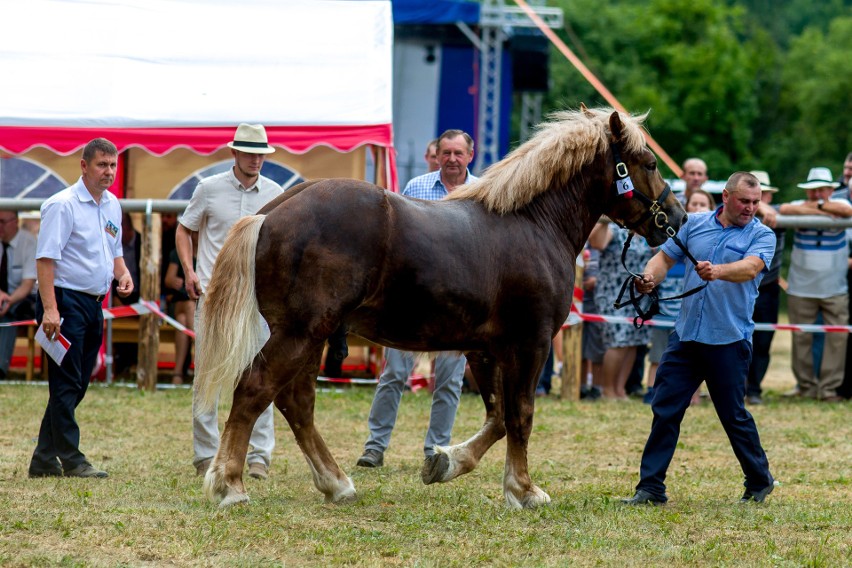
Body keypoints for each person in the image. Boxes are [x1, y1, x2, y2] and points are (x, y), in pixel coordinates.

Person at [622, 171, 776, 505]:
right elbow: (664, 257)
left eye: (756, 201)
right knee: (665, 409)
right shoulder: (695, 224)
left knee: (732, 415)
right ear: (725, 196)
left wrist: (718, 270)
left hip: (729, 339)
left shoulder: (762, 235)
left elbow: (750, 268)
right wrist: (649, 278)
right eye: (744, 201)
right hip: (687, 336)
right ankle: (650, 488)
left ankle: (760, 479)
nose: (751, 208)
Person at [356, 129, 476, 468]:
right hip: (414, 298)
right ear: (436, 155)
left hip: (459, 303)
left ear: (470, 155)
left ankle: (435, 453)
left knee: (450, 381)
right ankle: (375, 447)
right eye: (446, 153)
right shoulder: (415, 189)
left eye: (458, 153)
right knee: (394, 373)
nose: (452, 159)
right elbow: (396, 244)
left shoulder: (484, 193)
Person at [176, 123, 283, 479]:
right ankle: (206, 456)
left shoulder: (276, 193)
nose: (256, 160)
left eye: (261, 154)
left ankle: (259, 457)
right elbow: (184, 229)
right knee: (206, 379)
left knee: (260, 376)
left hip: (256, 300)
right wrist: (189, 272)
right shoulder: (208, 189)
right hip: (214, 295)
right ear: (234, 153)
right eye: (250, 153)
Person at [28, 138, 134, 479]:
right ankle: (71, 459)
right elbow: (45, 259)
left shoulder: (112, 205)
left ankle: (44, 459)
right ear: (84, 166)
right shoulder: (63, 204)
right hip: (64, 300)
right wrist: (50, 310)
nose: (109, 172)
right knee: (67, 382)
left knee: (77, 383)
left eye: (113, 165)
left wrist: (123, 274)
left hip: (93, 303)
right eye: (102, 165)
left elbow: (113, 248)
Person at [778, 167, 852, 402]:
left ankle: (828, 389)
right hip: (801, 287)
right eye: (813, 190)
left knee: (837, 339)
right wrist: (820, 208)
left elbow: (845, 209)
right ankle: (806, 386)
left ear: (831, 189)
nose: (817, 193)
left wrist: (817, 207)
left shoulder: (840, 206)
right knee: (801, 337)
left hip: (835, 287)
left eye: (823, 189)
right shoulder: (801, 204)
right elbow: (785, 209)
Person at [644, 190, 715, 405]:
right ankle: (651, 390)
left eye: (703, 204)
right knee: (659, 353)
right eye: (694, 203)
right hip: (668, 302)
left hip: (697, 304)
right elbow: (660, 260)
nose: (698, 207)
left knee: (696, 355)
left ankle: (693, 395)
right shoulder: (671, 231)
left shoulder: (712, 235)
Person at [587, 220, 652, 400]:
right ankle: (607, 390)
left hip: (638, 297)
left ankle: (620, 390)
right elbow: (597, 243)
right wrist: (604, 220)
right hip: (613, 295)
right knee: (618, 342)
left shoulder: (645, 233)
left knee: (632, 342)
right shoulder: (615, 229)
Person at [745, 171, 784, 405]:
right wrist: (760, 210)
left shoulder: (779, 212)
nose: (756, 201)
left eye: (761, 195)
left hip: (769, 287)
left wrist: (768, 210)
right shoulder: (737, 216)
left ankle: (755, 389)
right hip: (741, 285)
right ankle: (737, 387)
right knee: (738, 340)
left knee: (763, 342)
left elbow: (797, 208)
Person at [0, 211, 37, 379]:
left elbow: (27, 285)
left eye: (2, 222)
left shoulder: (29, 242)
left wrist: (7, 300)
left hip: (23, 299)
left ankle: (0, 367)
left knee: (9, 314)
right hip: (2, 297)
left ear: (15, 222)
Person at [164, 235, 196, 385]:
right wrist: (174, 281)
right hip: (180, 302)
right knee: (189, 306)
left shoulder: (208, 252)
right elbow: (168, 279)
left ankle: (177, 373)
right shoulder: (178, 253)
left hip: (198, 308)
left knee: (183, 321)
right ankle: (198, 347)